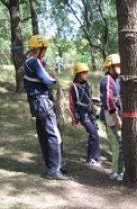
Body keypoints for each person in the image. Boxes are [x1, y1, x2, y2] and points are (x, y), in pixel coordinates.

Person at [24, 35, 71, 180]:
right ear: (38, 48)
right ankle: (54, 170)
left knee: (44, 135)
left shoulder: (29, 62)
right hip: (43, 102)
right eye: (44, 49)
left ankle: (52, 166)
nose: (45, 52)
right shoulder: (34, 62)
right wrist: (56, 81)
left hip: (37, 103)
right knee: (53, 135)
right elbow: (47, 80)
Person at [68, 62, 101, 166]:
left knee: (95, 134)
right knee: (93, 134)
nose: (86, 74)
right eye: (84, 72)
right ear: (78, 74)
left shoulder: (88, 84)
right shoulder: (73, 87)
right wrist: (74, 119)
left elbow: (89, 99)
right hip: (82, 114)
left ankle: (94, 157)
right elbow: (72, 104)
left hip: (90, 113)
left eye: (87, 72)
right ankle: (91, 159)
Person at [100, 54, 124, 181]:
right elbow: (109, 102)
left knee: (121, 144)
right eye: (117, 65)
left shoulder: (116, 80)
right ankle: (115, 172)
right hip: (111, 117)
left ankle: (120, 171)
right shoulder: (107, 80)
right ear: (110, 66)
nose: (119, 67)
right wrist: (117, 118)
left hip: (117, 115)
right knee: (117, 144)